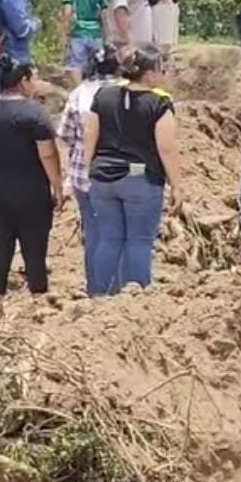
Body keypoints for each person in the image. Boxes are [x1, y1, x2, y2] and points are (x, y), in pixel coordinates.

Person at [0, 56, 63, 320]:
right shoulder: (35, 114)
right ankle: (38, 304)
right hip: (32, 193)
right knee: (35, 249)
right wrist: (57, 187)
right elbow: (47, 155)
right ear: (24, 81)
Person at [84, 47, 183, 296]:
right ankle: (137, 298)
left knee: (109, 239)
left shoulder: (103, 96)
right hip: (140, 179)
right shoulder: (159, 104)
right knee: (139, 241)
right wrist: (177, 186)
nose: (164, 75)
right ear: (149, 74)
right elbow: (166, 148)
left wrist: (87, 170)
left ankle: (99, 296)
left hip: (103, 178)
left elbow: (90, 136)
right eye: (161, 70)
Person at [57, 45, 123, 296]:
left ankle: (96, 289)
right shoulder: (128, 92)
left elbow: (65, 135)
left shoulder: (79, 94)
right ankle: (119, 288)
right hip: (121, 173)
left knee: (94, 232)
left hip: (84, 175)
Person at [61, 0, 108, 85]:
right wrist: (107, 36)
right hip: (96, 34)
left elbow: (67, 12)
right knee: (98, 64)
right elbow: (104, 15)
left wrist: (65, 33)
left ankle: (80, 90)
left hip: (78, 33)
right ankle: (96, 92)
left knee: (76, 65)